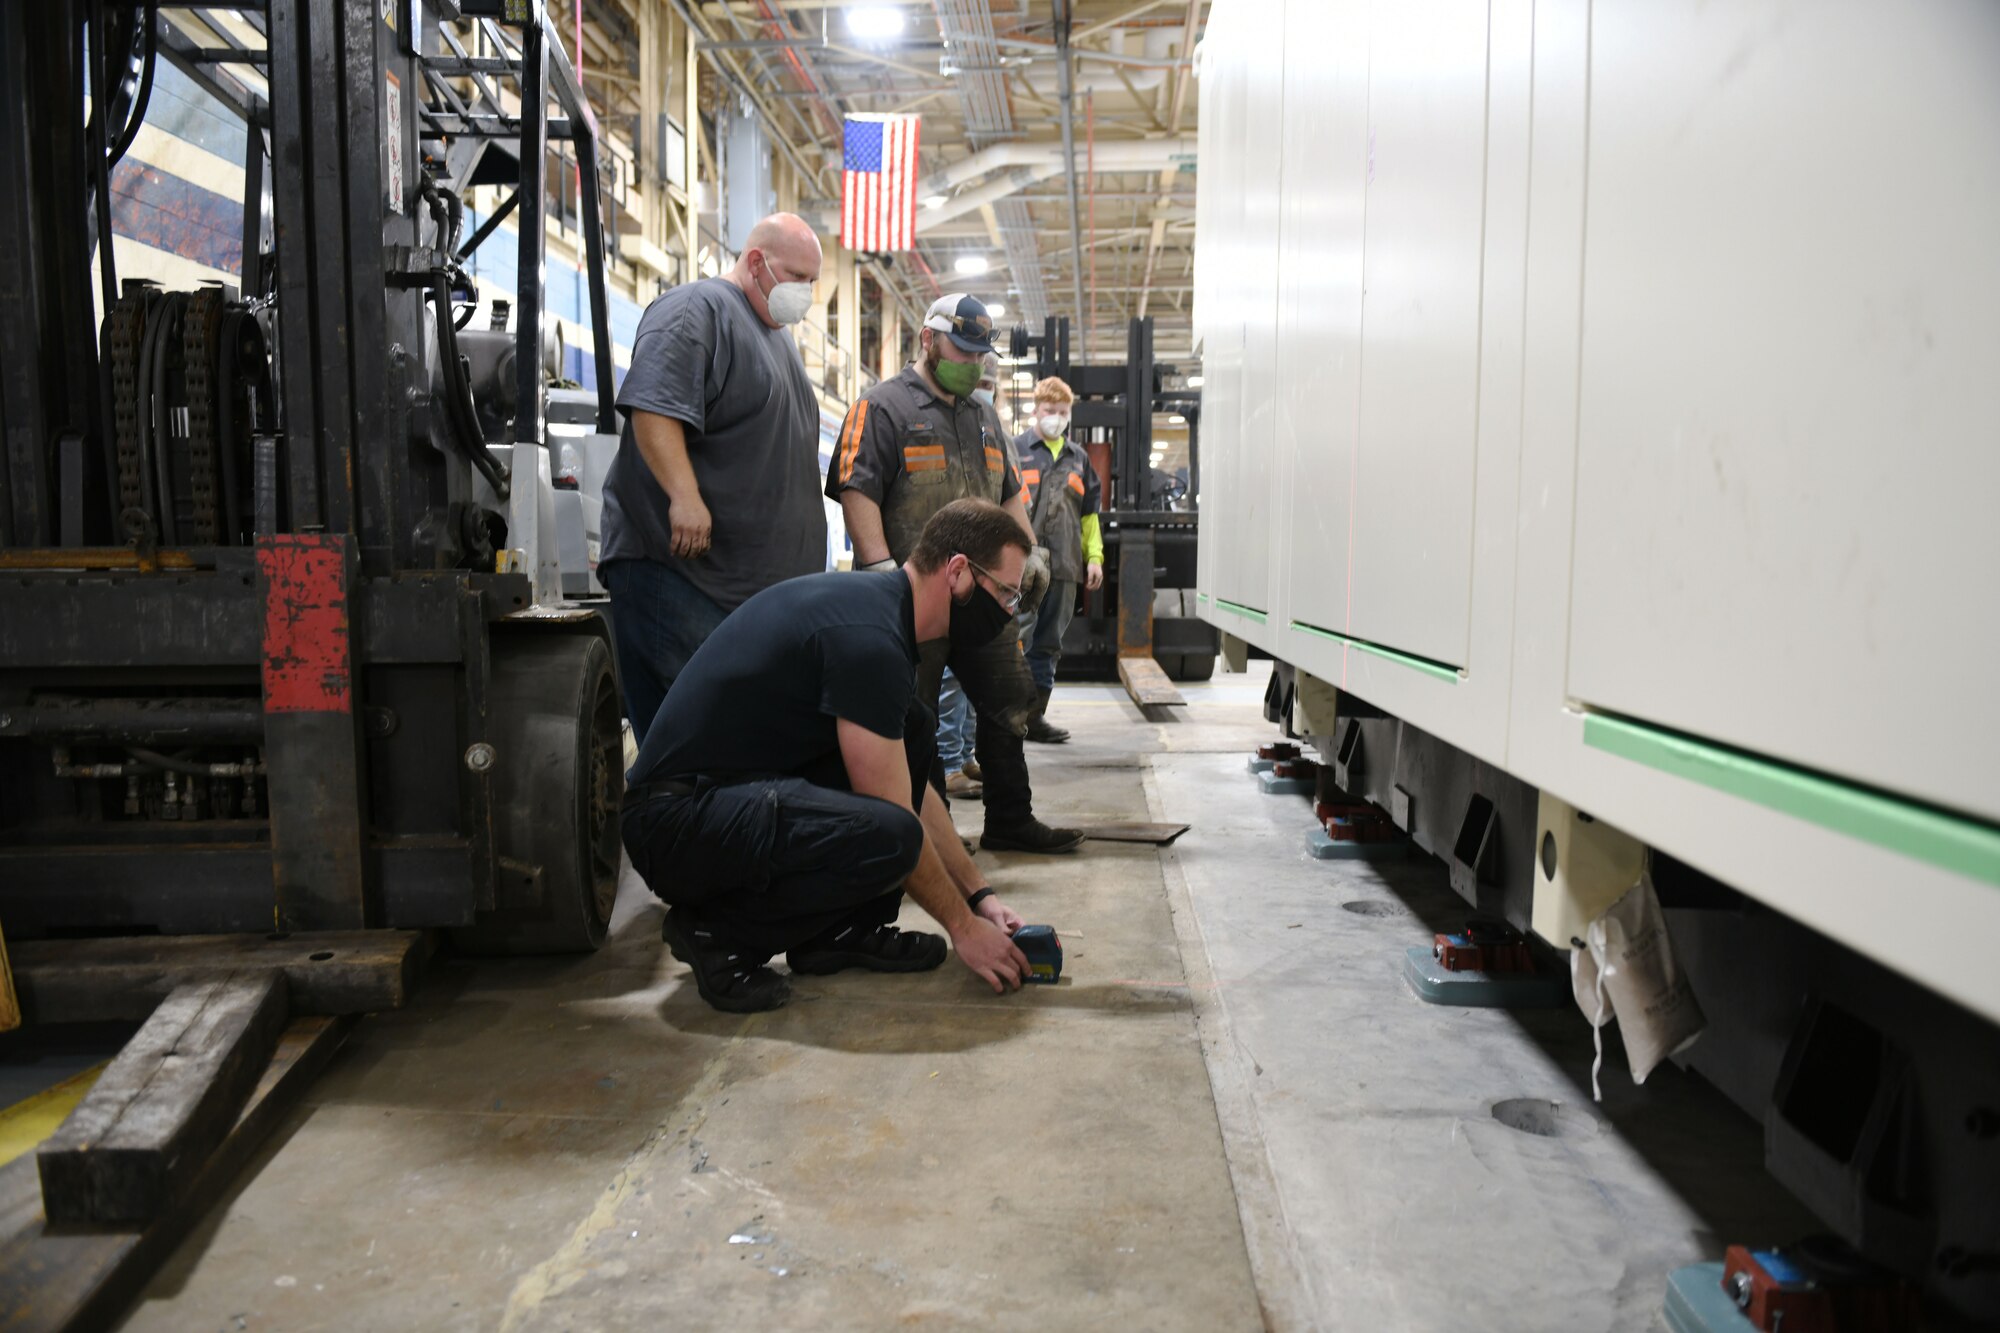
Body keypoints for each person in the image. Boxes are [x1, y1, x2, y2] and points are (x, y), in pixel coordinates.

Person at [621, 499, 1037, 1013]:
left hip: (720, 803)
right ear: (957, 572)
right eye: (1006, 593)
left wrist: (980, 899)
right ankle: (717, 932)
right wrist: (963, 930)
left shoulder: (880, 613)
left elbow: (908, 786)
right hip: (675, 824)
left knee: (914, 728)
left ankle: (838, 931)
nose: (1008, 611)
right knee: (892, 835)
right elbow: (899, 820)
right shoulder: (870, 641)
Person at [826, 294, 1082, 854]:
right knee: (912, 713)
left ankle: (1010, 820)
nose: (973, 363)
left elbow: (1010, 493)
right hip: (916, 601)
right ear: (927, 340)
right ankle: (928, 834)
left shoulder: (986, 417)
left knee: (1009, 699)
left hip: (983, 600)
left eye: (979, 354)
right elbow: (856, 489)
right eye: (962, 350)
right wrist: (879, 573)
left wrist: (1031, 553)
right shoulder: (883, 408)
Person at [598, 213, 828, 741]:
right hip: (683, 580)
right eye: (798, 277)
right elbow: (653, 408)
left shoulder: (777, 337)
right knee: (691, 750)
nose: (807, 294)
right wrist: (684, 496)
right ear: (755, 262)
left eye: (813, 282)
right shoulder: (695, 310)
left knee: (730, 751)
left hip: (742, 597)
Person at [1013, 376, 1104, 744]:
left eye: (1062, 412)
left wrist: (1094, 557)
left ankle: (1034, 720)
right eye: (1049, 410)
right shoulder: (1016, 449)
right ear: (1036, 410)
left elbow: (1089, 515)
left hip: (1065, 566)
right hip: (1021, 566)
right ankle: (1008, 717)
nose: (1055, 417)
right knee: (1015, 640)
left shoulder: (1078, 458)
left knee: (1048, 644)